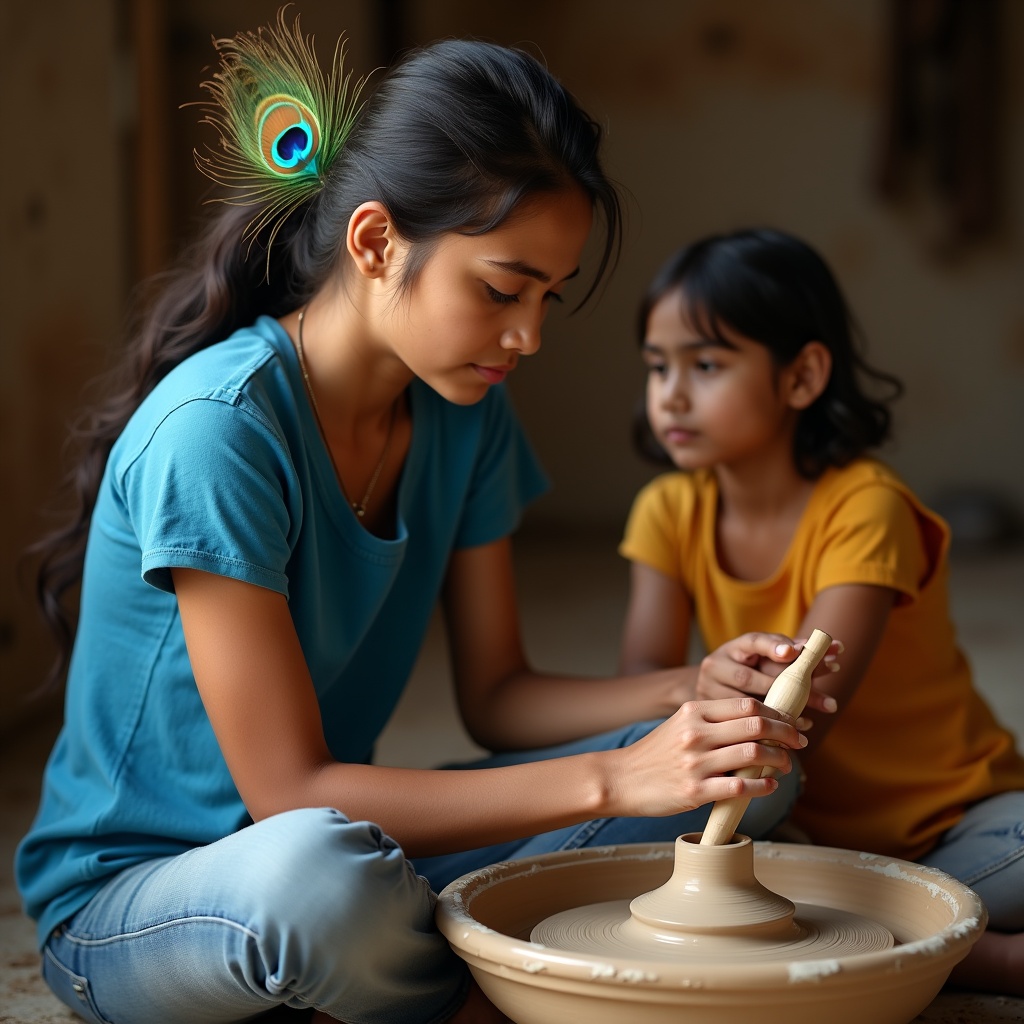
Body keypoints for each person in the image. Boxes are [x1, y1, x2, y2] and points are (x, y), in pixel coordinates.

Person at [16, 17, 827, 1024]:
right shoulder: (217, 433)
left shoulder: (464, 415)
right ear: (374, 240)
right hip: (142, 907)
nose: (527, 335)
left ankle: (430, 982)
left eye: (548, 298)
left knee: (740, 770)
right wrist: (618, 778)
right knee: (322, 882)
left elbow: (498, 695)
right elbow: (289, 792)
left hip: (343, 840)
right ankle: (490, 981)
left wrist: (688, 697)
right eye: (500, 289)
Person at [618, 226, 1024, 996]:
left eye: (705, 364)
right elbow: (643, 687)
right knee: (762, 904)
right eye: (656, 365)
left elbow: (803, 711)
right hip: (819, 847)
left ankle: (984, 958)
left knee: (800, 924)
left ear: (802, 376)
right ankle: (946, 946)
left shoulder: (866, 507)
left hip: (964, 819)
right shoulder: (666, 511)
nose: (670, 393)